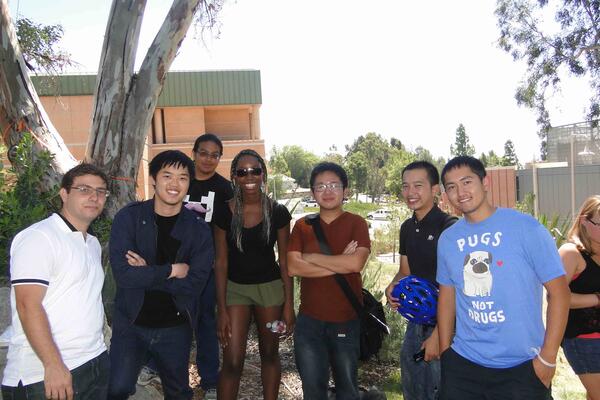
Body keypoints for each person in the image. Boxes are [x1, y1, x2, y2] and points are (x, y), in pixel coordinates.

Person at [436, 155, 570, 400]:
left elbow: (560, 292)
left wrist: (548, 358)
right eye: (452, 187)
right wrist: (446, 353)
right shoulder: (448, 239)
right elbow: (447, 295)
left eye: (467, 182)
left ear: (485, 182)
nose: (460, 192)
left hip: (523, 366)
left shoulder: (526, 228)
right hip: (464, 364)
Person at [107, 150, 214, 400]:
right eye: (167, 175)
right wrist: (172, 271)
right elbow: (123, 276)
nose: (174, 184)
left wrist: (147, 273)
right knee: (117, 388)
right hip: (131, 323)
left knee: (177, 392)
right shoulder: (129, 218)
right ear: (154, 178)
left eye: (182, 178)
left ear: (189, 183)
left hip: (175, 326)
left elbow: (194, 284)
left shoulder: (198, 230)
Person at [1, 163, 110, 400]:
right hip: (44, 375)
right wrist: (53, 364)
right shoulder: (39, 237)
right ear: (64, 193)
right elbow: (28, 305)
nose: (94, 197)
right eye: (84, 189)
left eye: (101, 191)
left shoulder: (91, 244)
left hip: (93, 362)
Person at [137, 134, 232, 396]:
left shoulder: (224, 189)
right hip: (171, 265)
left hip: (205, 268)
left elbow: (225, 231)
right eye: (203, 153)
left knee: (204, 319)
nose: (208, 159)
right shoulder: (177, 180)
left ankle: (210, 380)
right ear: (194, 153)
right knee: (166, 314)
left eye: (214, 155)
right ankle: (154, 366)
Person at [214, 149, 294, 400]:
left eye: (255, 171)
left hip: (271, 292)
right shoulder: (223, 212)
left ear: (263, 174)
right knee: (233, 360)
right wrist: (222, 310)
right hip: (235, 291)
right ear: (234, 177)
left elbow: (285, 262)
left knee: (270, 353)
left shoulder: (277, 211)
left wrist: (289, 306)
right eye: (242, 172)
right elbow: (221, 262)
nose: (249, 176)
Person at [288, 162, 371, 400]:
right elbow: (293, 267)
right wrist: (338, 262)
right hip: (309, 323)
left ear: (345, 190)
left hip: (346, 320)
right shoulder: (303, 225)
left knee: (347, 389)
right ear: (313, 192)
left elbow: (355, 264)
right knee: (313, 390)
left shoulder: (356, 223)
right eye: (320, 186)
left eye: (334, 185)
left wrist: (313, 258)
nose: (328, 191)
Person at [385, 160, 457, 400]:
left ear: (435, 189)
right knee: (413, 385)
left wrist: (438, 334)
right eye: (405, 186)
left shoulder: (449, 227)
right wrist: (392, 286)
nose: (410, 192)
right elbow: (405, 271)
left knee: (440, 387)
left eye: (418, 185)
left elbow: (460, 285)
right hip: (416, 321)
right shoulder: (406, 227)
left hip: (448, 323)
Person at [558, 195, 600, 400]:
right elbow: (556, 297)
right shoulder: (571, 253)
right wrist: (597, 299)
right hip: (584, 340)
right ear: (584, 220)